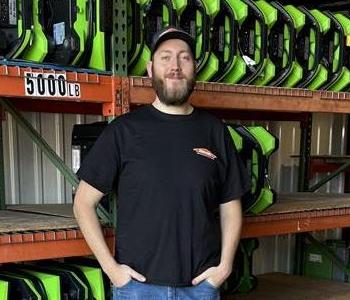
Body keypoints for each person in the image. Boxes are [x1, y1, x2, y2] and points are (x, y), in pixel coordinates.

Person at [73, 26, 250, 300]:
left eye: (184, 58)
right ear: (150, 68)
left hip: (200, 288)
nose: (175, 66)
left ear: (194, 68)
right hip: (136, 289)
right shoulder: (124, 131)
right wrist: (112, 270)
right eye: (165, 57)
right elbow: (83, 203)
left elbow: (230, 206)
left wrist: (224, 266)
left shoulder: (215, 131)